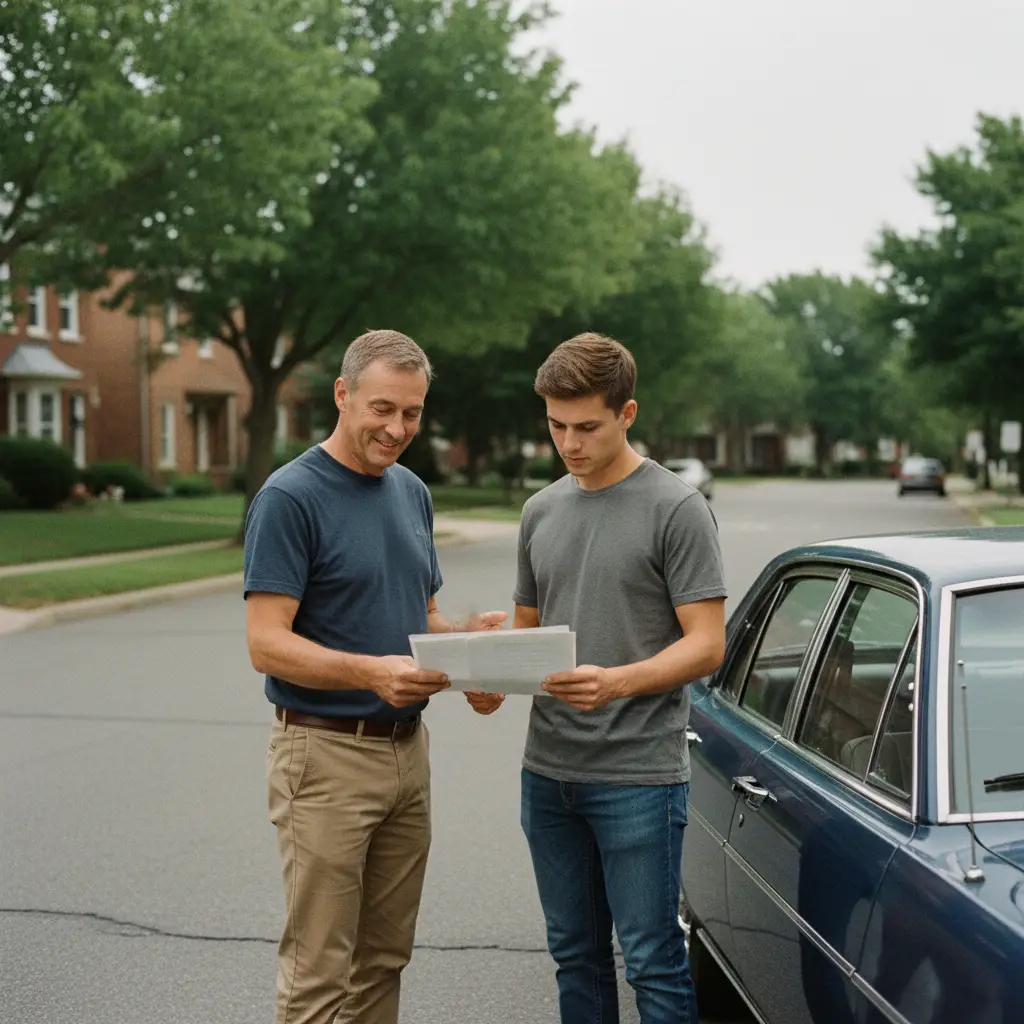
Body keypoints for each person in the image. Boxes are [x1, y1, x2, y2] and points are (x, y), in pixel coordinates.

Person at [243, 329, 506, 1024]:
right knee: (319, 972)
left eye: (412, 414)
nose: (397, 429)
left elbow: (420, 622)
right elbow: (266, 644)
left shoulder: (412, 492)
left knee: (383, 960)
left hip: (405, 756)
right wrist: (369, 672)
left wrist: (472, 647)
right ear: (342, 394)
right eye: (383, 409)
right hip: (323, 756)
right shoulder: (289, 497)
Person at [512, 332, 727, 1024]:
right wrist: (486, 679)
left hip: (639, 775)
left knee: (653, 960)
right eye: (555, 425)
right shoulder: (539, 511)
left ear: (627, 413)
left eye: (586, 426)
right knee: (574, 956)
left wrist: (618, 683)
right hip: (548, 773)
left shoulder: (677, 508)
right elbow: (528, 636)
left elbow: (707, 646)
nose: (568, 442)